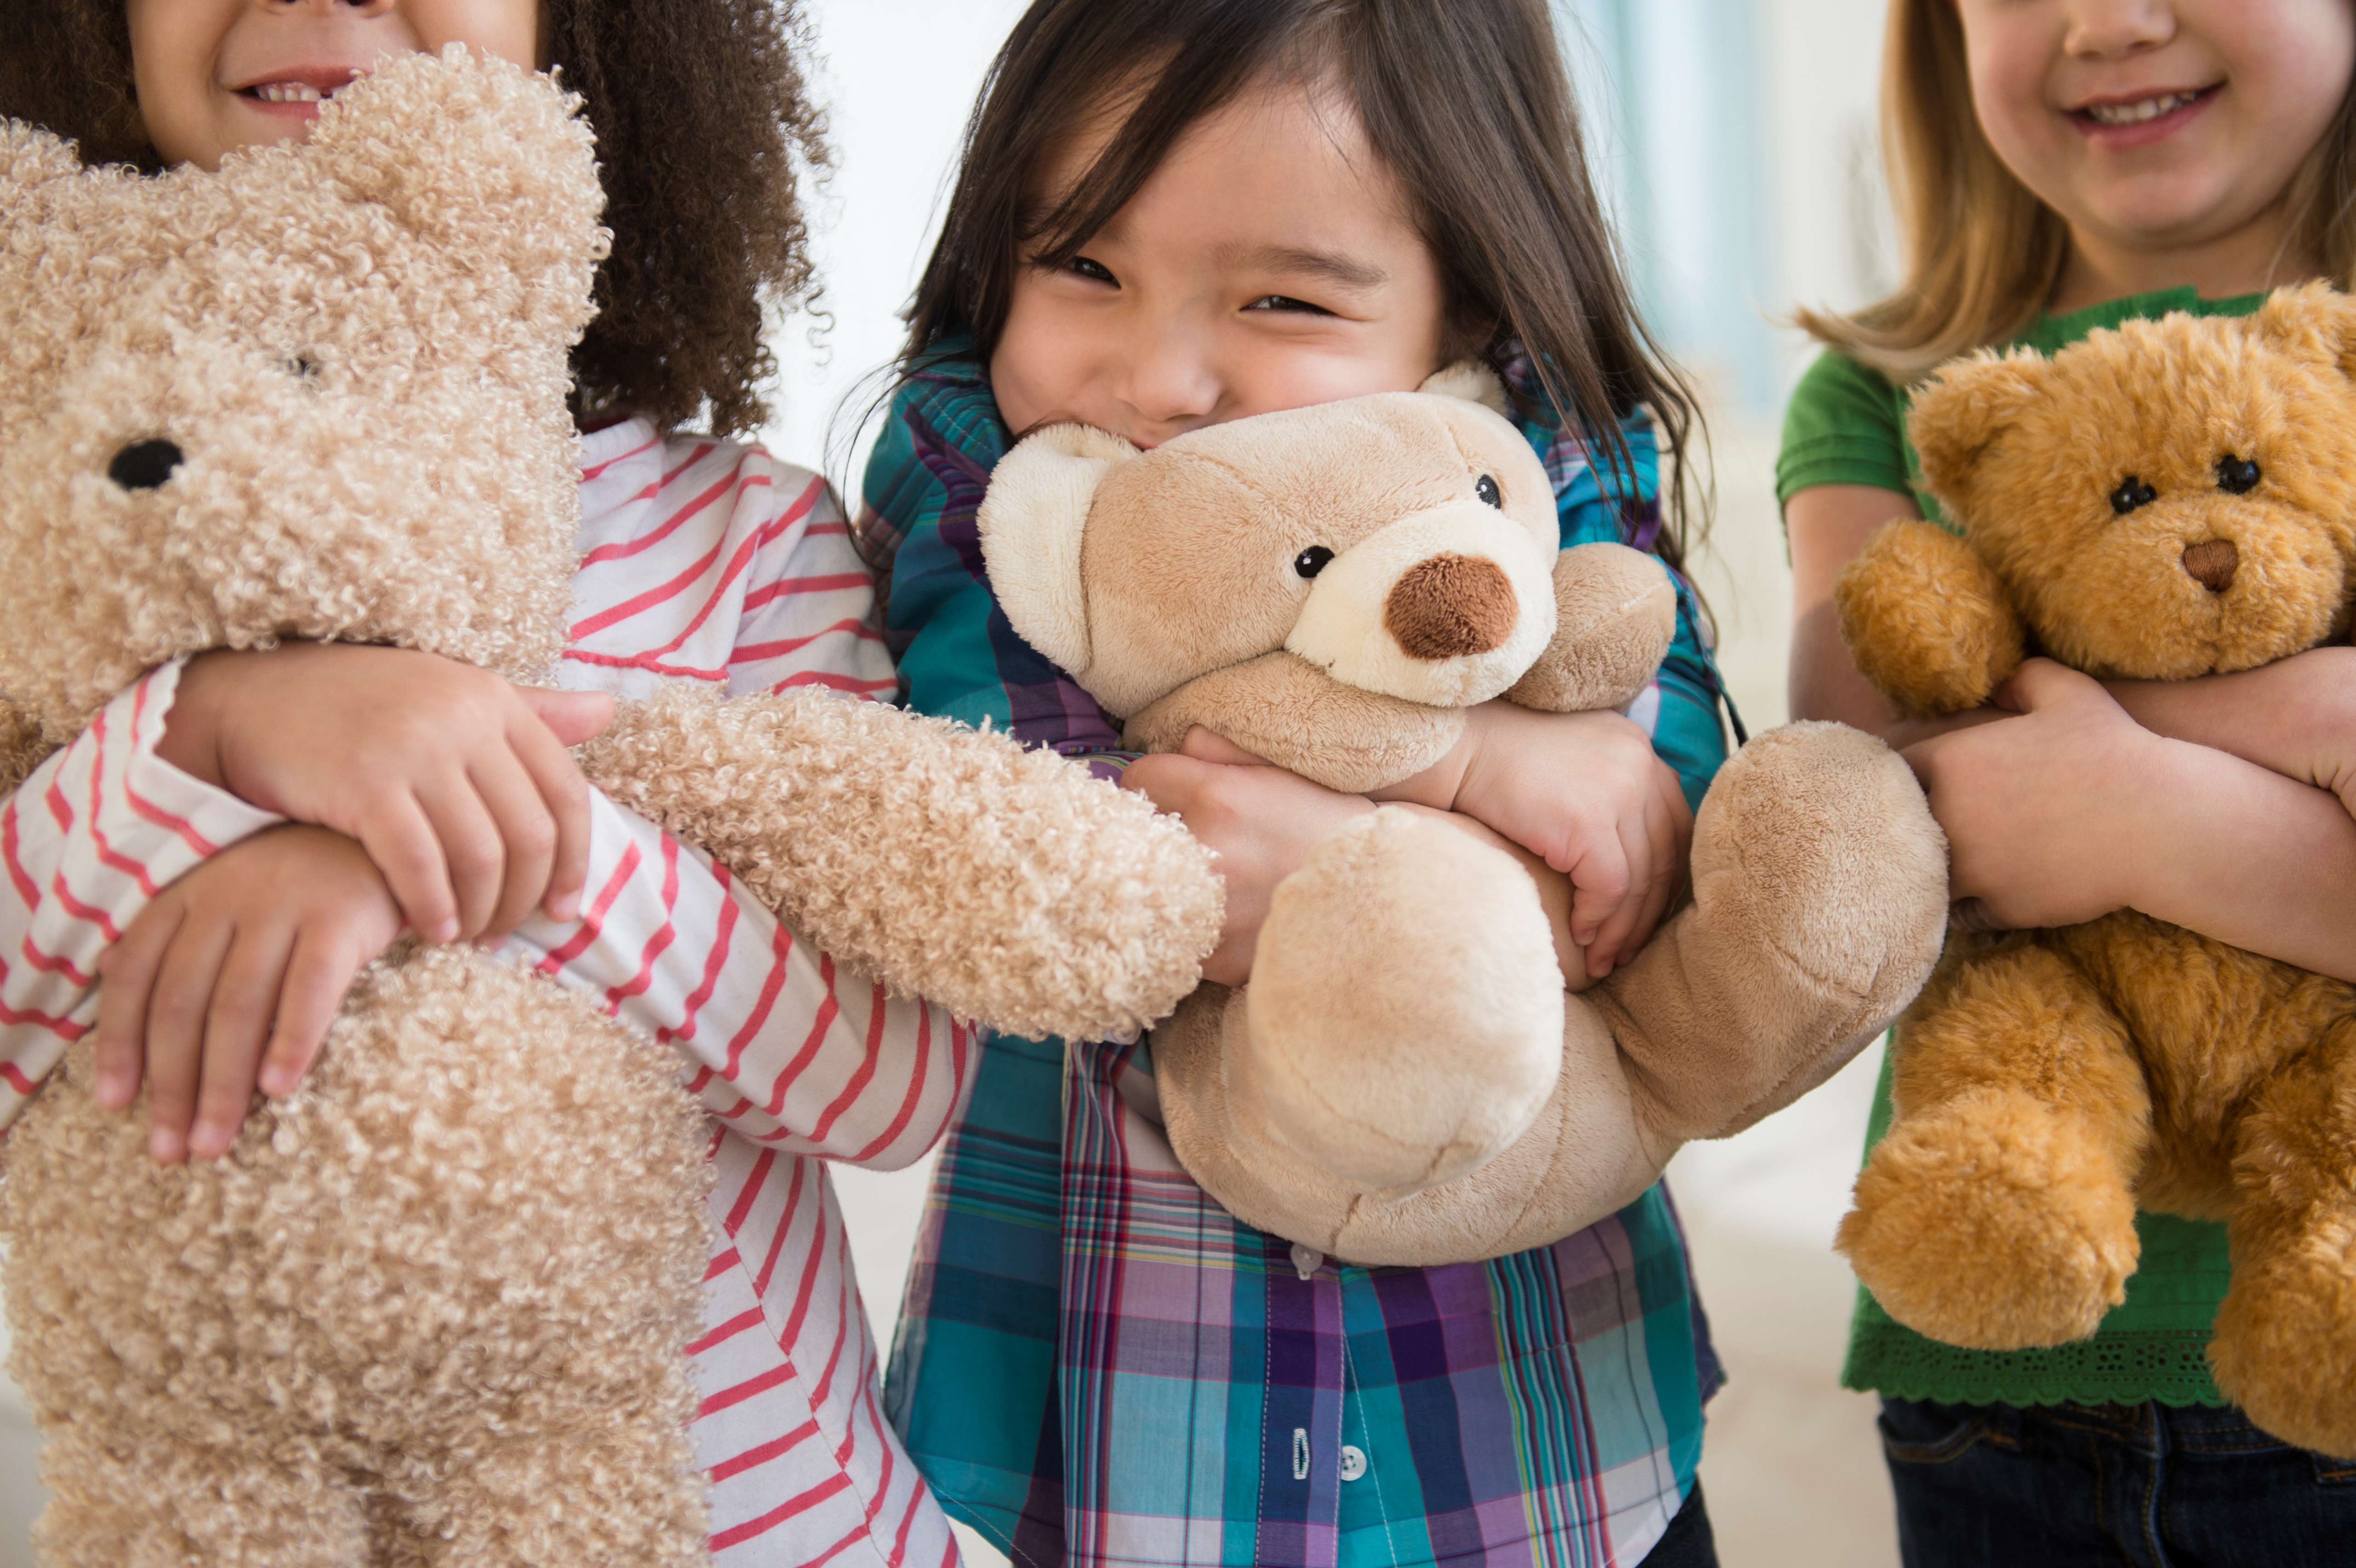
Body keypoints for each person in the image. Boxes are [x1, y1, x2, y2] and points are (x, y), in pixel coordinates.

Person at [0, 4, 970, 1562]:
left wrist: (470, 826)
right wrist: (207, 741)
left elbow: (887, 1088)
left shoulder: (742, 535)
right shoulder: (56, 538)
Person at [859, 2, 1739, 1563]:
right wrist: (1474, 779)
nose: (1160, 376)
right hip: (1115, 1409)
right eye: (1082, 267)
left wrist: (1371, 829)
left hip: (1538, 1406)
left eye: (1277, 298)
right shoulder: (987, 484)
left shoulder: (1544, 467)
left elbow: (1647, 833)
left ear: (1457, 307)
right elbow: (1026, 824)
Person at [1781, 1, 2356, 1562]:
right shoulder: (1889, 391)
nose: (2108, 21)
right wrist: (2309, 716)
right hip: (2000, 1384)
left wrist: (2137, 809)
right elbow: (1878, 797)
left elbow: (2023, 779)